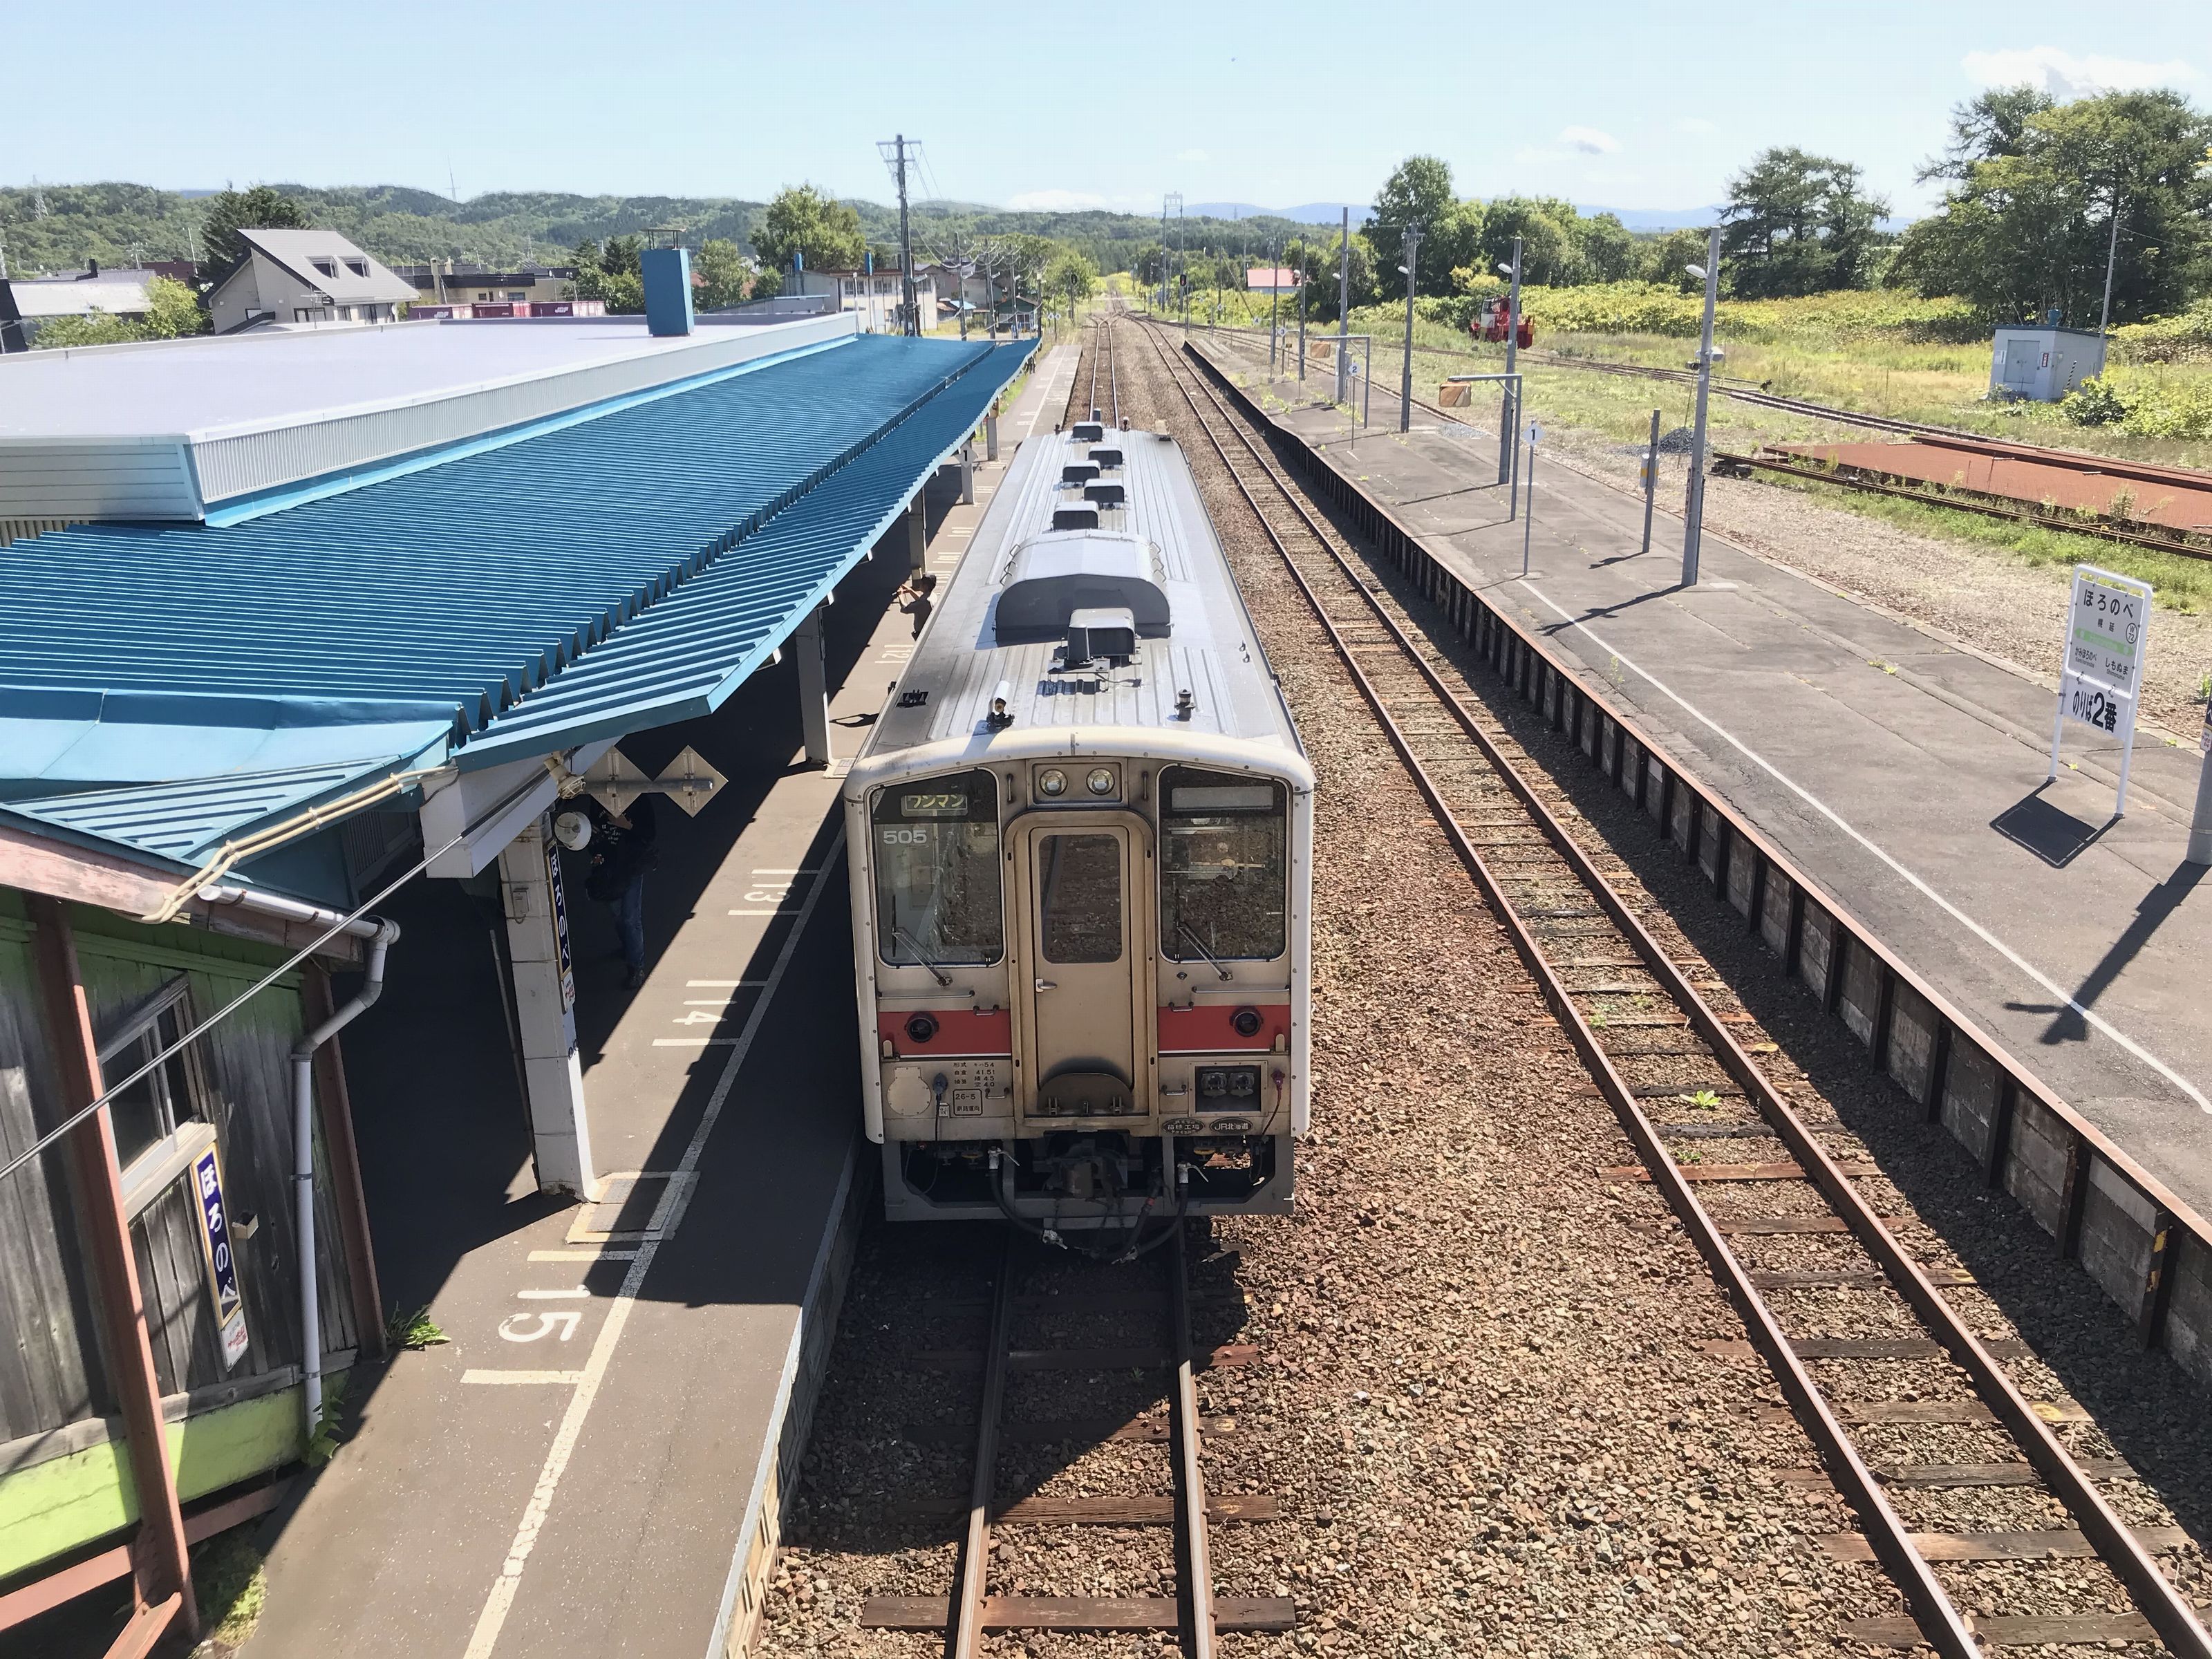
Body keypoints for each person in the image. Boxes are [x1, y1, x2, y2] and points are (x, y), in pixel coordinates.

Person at [585, 795, 659, 988]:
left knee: (630, 917)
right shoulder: (597, 798)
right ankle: (629, 947)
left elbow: (649, 834)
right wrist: (597, 853)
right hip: (608, 866)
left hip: (631, 864)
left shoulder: (639, 799)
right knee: (617, 913)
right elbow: (593, 830)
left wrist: (628, 826)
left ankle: (636, 967)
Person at [897, 572, 937, 640]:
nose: (920, 584)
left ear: (926, 586)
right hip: (930, 631)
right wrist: (910, 591)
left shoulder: (923, 602)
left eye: (921, 583)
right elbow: (920, 599)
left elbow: (905, 609)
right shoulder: (932, 596)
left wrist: (900, 595)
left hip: (923, 634)